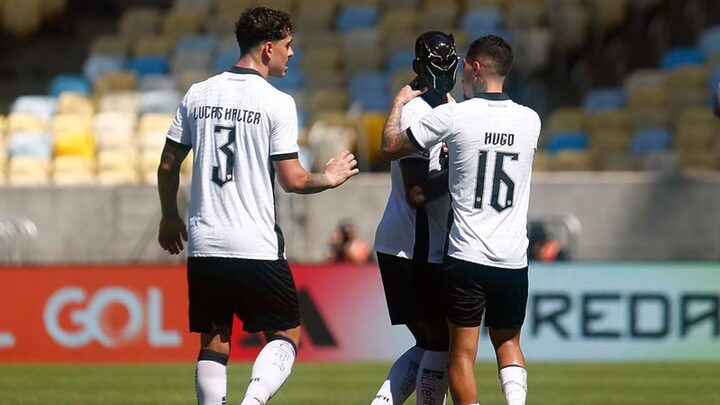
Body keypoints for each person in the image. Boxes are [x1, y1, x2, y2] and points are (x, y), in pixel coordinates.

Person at [156, 7, 359, 405]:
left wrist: (168, 215)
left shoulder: (198, 94)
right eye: (288, 45)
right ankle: (253, 401)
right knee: (286, 335)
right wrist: (331, 176)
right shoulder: (276, 103)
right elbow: (294, 179)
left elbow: (166, 166)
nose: (292, 53)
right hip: (255, 244)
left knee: (214, 339)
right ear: (268, 48)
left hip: (205, 243)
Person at [381, 35, 541, 405]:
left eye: (464, 65)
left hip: (466, 254)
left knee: (459, 354)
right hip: (513, 256)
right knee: (508, 341)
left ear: (476, 68)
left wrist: (399, 106)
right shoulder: (530, 120)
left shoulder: (456, 115)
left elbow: (390, 148)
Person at [371, 31, 458, 405]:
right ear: (419, 67)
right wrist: (463, 170)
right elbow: (417, 192)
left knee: (431, 340)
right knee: (442, 342)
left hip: (412, 242)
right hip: (413, 243)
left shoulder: (445, 107)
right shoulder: (416, 112)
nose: (445, 68)